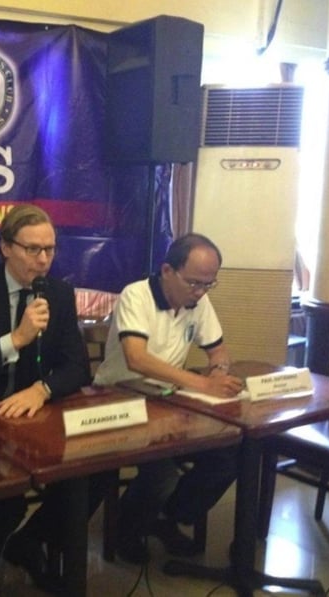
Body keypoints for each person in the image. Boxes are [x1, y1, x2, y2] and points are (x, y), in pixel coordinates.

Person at [0, 204, 101, 595]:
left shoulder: (58, 293)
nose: (42, 260)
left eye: (50, 250)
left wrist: (42, 389)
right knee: (8, 494)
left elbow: (77, 366)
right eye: (32, 250)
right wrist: (16, 340)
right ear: (5, 247)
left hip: (28, 416)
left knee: (89, 477)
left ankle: (29, 543)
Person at [93, 233, 242, 563]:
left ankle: (165, 517)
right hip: (118, 398)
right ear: (167, 271)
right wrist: (201, 385)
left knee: (229, 453)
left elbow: (217, 349)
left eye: (208, 284)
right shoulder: (137, 295)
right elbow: (137, 359)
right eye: (193, 283)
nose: (200, 292)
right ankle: (126, 530)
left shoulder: (198, 301)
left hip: (168, 399)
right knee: (162, 472)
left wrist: (218, 369)